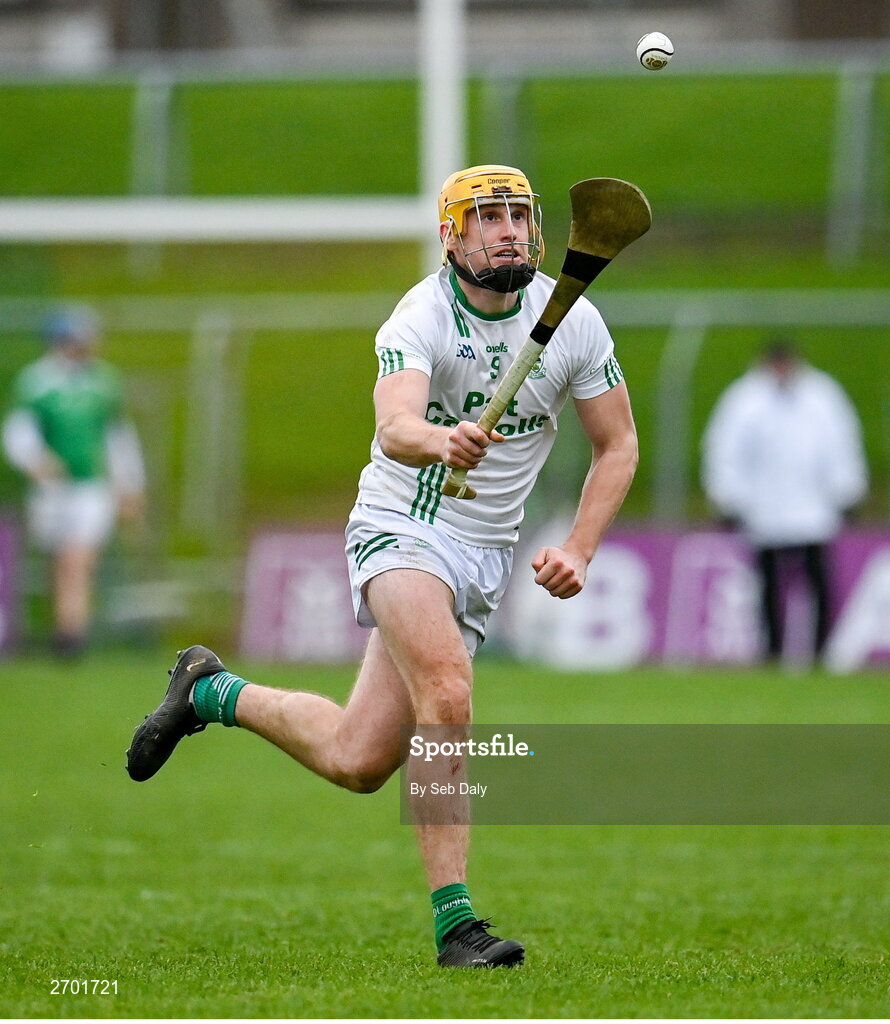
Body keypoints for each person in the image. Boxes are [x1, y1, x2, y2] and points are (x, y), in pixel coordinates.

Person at [127, 164, 639, 966]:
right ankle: (456, 925)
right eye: (488, 216)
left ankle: (208, 690)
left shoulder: (570, 319)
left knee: (359, 759)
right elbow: (396, 422)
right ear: (452, 235)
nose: (508, 229)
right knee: (448, 690)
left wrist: (578, 546)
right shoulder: (420, 313)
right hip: (401, 526)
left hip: (484, 556)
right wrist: (443, 439)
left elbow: (618, 444)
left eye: (517, 214)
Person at [701, 337, 868, 663]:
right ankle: (772, 653)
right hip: (766, 513)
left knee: (819, 588)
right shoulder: (744, 400)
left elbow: (841, 446)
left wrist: (847, 490)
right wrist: (729, 498)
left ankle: (821, 652)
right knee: (769, 592)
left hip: (814, 514)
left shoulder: (822, 396)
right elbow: (725, 452)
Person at [2, 306, 146, 657]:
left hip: (90, 487)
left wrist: (130, 486)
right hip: (51, 490)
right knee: (60, 561)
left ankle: (72, 635)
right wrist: (36, 461)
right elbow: (17, 431)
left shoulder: (103, 381)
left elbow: (117, 438)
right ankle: (64, 629)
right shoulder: (37, 381)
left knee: (77, 559)